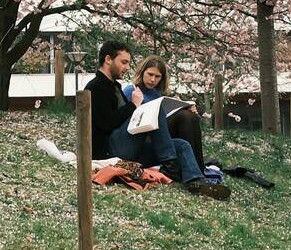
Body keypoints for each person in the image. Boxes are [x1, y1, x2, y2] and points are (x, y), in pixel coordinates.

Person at [84, 41, 229, 201]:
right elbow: (106, 123)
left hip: (130, 148)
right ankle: (170, 166)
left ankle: (196, 182)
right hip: (110, 151)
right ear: (108, 59)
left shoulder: (114, 87)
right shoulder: (96, 87)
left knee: (181, 145)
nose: (126, 68)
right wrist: (133, 105)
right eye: (123, 62)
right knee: (154, 109)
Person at [132, 57, 212, 174]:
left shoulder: (158, 93)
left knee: (189, 115)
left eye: (157, 76)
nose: (153, 79)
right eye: (150, 74)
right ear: (142, 72)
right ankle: (194, 169)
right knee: (184, 117)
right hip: (144, 136)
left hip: (160, 131)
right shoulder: (132, 90)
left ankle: (199, 167)